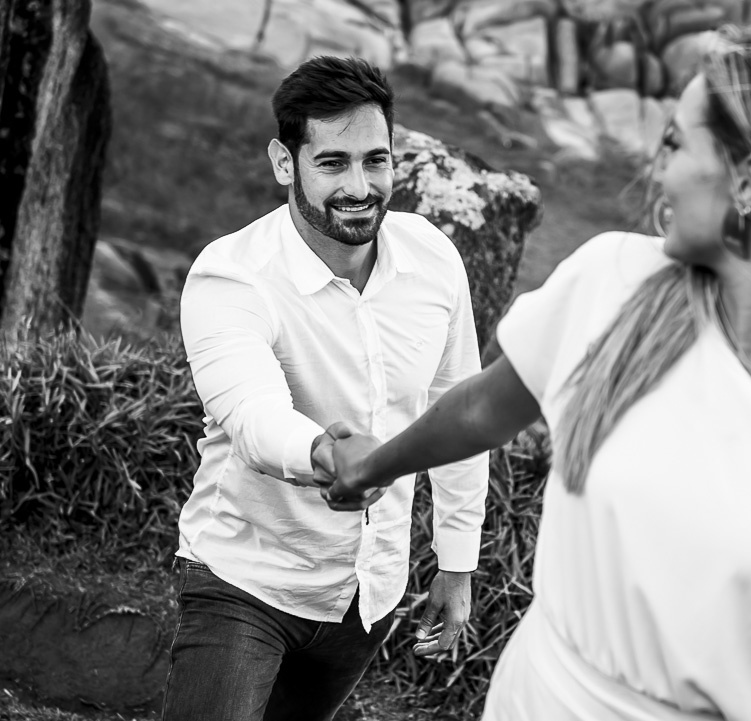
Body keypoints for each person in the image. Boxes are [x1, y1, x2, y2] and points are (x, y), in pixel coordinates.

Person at [321, 25, 751, 721]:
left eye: (675, 144)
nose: (657, 171)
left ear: (748, 180)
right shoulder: (614, 279)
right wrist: (370, 467)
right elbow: (483, 408)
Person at [161, 56, 488, 721]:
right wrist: (327, 455)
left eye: (376, 160)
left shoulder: (433, 259)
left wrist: (457, 562)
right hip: (244, 581)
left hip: (366, 598)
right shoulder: (232, 275)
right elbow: (252, 415)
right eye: (333, 163)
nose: (360, 187)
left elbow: (461, 411)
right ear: (285, 163)